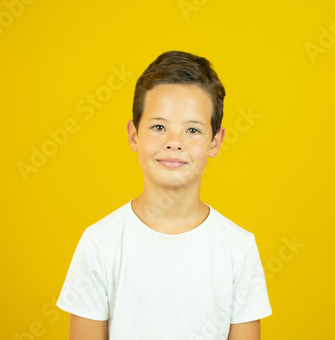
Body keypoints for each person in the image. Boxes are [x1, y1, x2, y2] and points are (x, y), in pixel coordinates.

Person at [56, 50, 272, 340]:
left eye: (193, 130)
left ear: (215, 142)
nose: (174, 143)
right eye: (159, 127)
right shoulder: (99, 244)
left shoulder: (238, 250)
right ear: (133, 135)